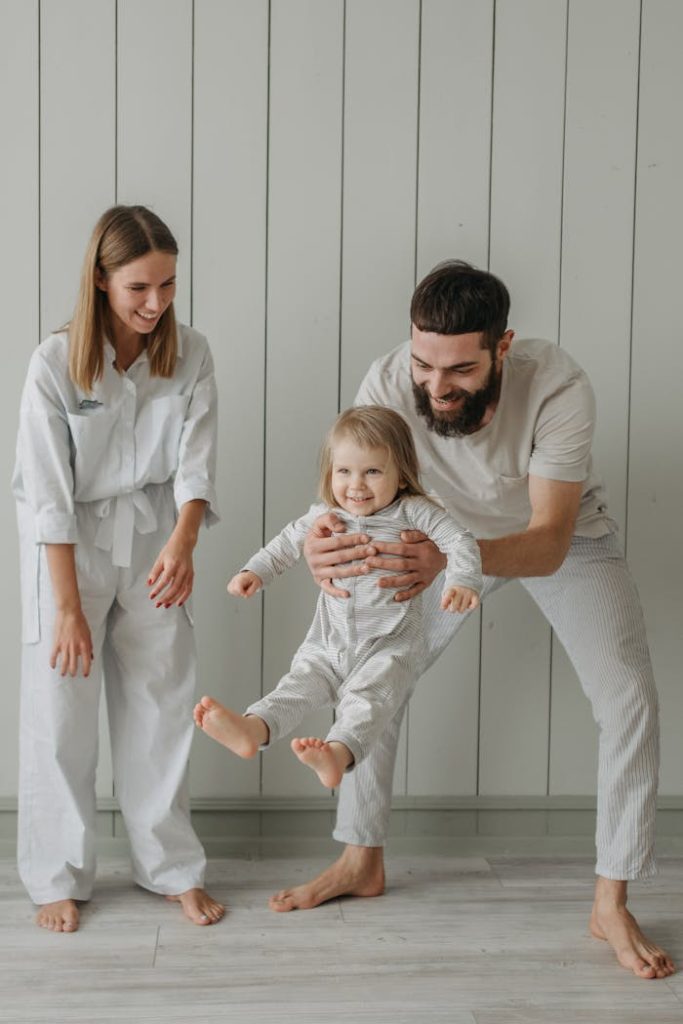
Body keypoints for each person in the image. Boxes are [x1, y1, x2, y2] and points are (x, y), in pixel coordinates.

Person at [265, 260, 675, 981]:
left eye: (458, 369)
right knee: (371, 668)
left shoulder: (559, 387)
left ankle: (610, 901)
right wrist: (326, 553)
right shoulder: (388, 380)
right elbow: (352, 493)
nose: (434, 385)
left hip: (555, 539)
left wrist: (450, 560)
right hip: (426, 535)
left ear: (502, 347)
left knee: (628, 699)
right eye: (423, 363)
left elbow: (546, 541)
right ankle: (361, 859)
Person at [13, 205, 224, 932]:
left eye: (167, 285)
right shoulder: (55, 362)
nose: (155, 303)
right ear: (101, 280)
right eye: (138, 287)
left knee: (163, 702)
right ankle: (56, 877)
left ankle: (171, 868)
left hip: (158, 536)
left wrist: (184, 543)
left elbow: (197, 465)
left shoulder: (189, 352)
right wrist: (67, 607)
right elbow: (47, 498)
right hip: (67, 550)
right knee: (60, 710)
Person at [194, 405, 481, 789]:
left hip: (389, 645)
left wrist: (462, 580)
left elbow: (459, 540)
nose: (356, 485)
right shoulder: (327, 515)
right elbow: (285, 544)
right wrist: (255, 571)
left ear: (401, 475)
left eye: (373, 472)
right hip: (328, 644)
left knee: (366, 702)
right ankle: (252, 729)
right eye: (344, 472)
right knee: (295, 687)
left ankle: (336, 754)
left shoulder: (414, 512)